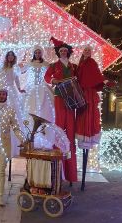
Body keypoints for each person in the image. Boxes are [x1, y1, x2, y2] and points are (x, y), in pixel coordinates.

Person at [43, 36, 78, 183]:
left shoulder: (74, 67)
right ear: (59, 53)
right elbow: (46, 77)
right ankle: (57, 168)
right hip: (59, 97)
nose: (63, 53)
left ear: (68, 53)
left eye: (65, 51)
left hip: (70, 98)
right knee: (58, 127)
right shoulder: (53, 65)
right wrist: (53, 81)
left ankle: (70, 172)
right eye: (61, 51)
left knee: (70, 131)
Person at [0, 88, 25, 206]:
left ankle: (0, 195)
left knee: (1, 170)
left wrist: (23, 139)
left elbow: (16, 127)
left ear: (6, 95)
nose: (1, 96)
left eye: (3, 94)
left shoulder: (10, 110)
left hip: (4, 145)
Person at [0, 40, 26, 156]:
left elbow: (16, 80)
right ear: (7, 57)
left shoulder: (16, 68)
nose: (10, 57)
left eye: (12, 55)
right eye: (9, 55)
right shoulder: (1, 65)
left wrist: (20, 89)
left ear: (14, 57)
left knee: (14, 115)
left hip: (11, 92)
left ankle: (15, 141)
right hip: (2, 91)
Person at [75, 46, 108, 149]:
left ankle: (89, 136)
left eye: (89, 50)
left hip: (89, 93)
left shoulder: (92, 62)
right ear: (83, 52)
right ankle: (82, 137)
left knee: (90, 113)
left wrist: (104, 81)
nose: (87, 51)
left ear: (90, 53)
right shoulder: (80, 64)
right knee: (82, 115)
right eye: (85, 50)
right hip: (82, 93)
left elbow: (97, 74)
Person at [21, 45, 55, 123]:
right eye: (36, 53)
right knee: (29, 105)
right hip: (30, 86)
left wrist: (53, 81)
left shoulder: (46, 64)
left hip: (42, 86)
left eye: (39, 52)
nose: (37, 54)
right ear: (34, 53)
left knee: (44, 105)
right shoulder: (29, 63)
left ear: (41, 53)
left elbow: (50, 74)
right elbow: (21, 71)